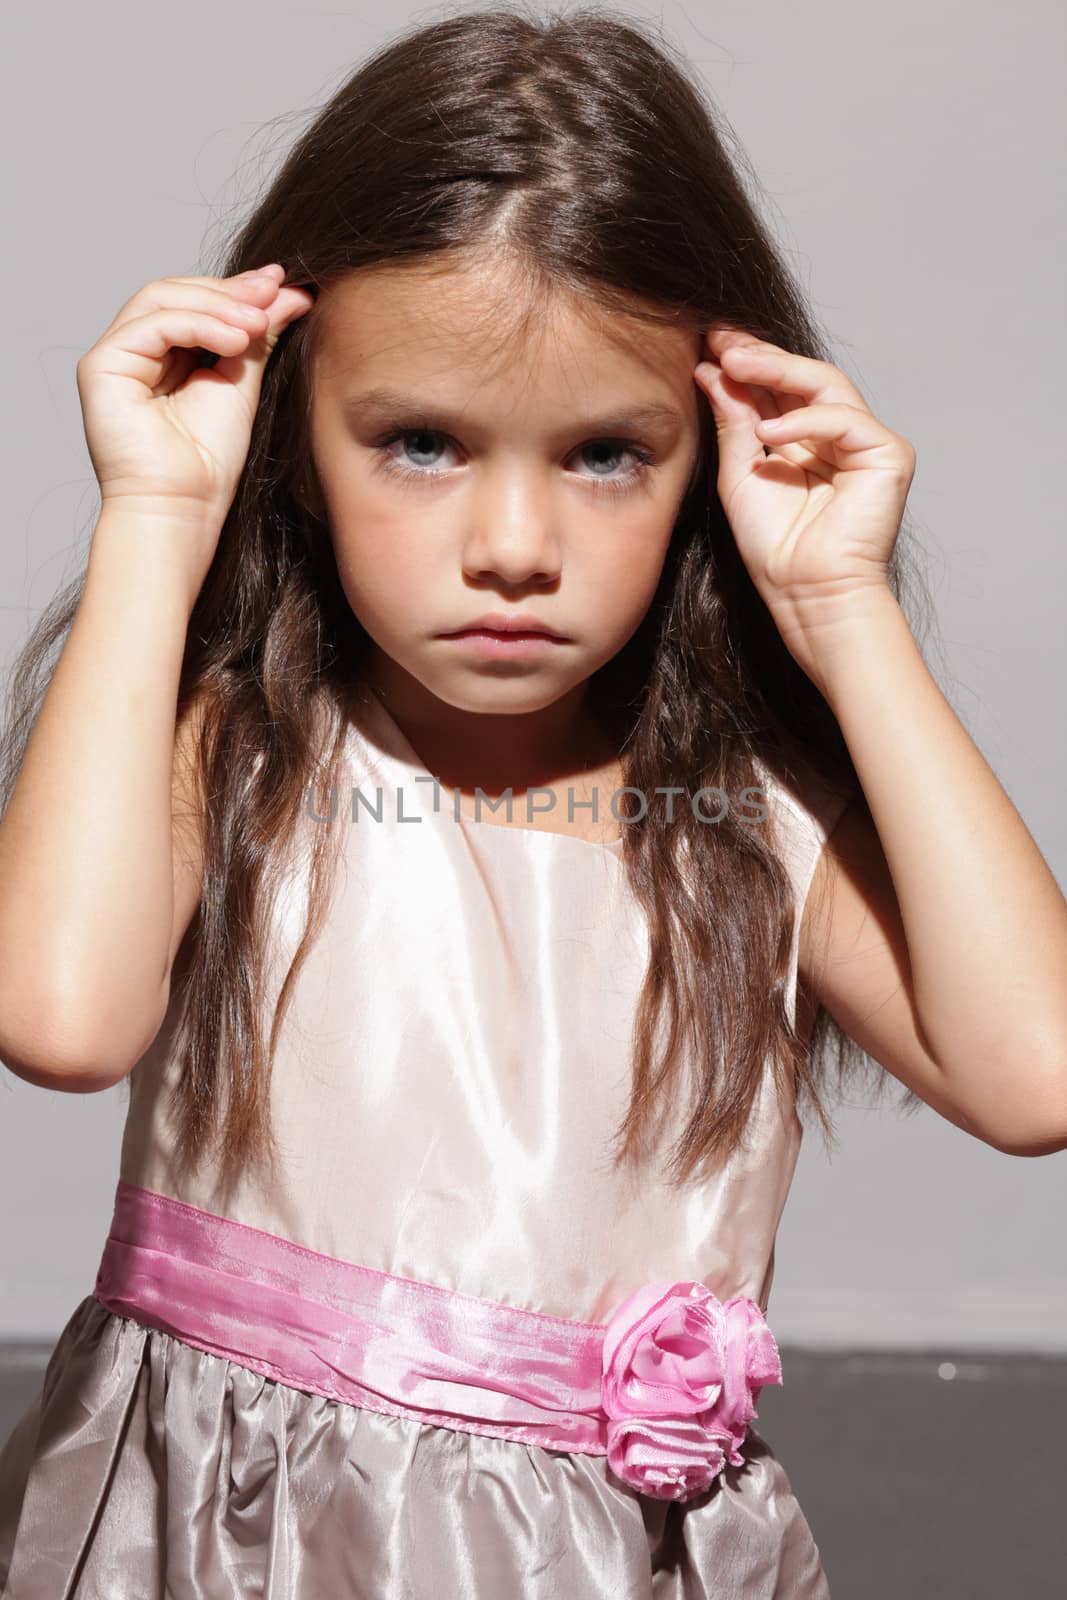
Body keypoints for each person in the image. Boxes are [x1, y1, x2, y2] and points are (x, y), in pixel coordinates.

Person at [1, 7, 1065, 1596]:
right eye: (421, 444)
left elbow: (1037, 1075)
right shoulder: (235, 756)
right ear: (296, 438)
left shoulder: (747, 825)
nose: (514, 543)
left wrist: (847, 611)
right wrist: (160, 510)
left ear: (707, 454)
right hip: (219, 1541)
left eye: (604, 456)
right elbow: (62, 1017)